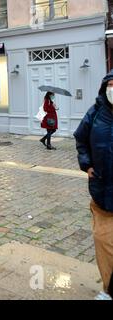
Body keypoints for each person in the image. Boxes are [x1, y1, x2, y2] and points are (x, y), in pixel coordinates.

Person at [74, 70, 113, 301]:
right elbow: (81, 140)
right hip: (102, 190)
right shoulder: (96, 113)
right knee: (104, 241)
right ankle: (108, 288)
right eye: (110, 85)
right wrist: (86, 165)